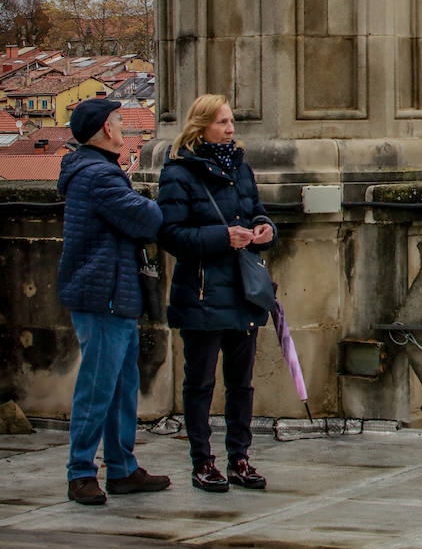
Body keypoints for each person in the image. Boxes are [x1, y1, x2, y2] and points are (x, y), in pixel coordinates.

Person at [157, 94, 276, 493]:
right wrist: (222, 237)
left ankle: (240, 457)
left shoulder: (240, 167)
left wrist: (264, 230)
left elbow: (255, 210)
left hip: (243, 291)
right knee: (201, 383)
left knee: (241, 383)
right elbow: (171, 235)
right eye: (223, 122)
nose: (231, 129)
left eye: (231, 122)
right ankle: (202, 461)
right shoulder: (178, 173)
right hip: (203, 293)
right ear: (201, 126)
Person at [57, 97, 171, 505]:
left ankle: (122, 468)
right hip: (103, 293)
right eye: (121, 120)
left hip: (111, 293)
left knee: (122, 385)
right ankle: (81, 472)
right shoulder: (98, 176)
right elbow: (147, 219)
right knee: (98, 387)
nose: (125, 126)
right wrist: (162, 200)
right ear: (107, 129)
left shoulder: (92, 170)